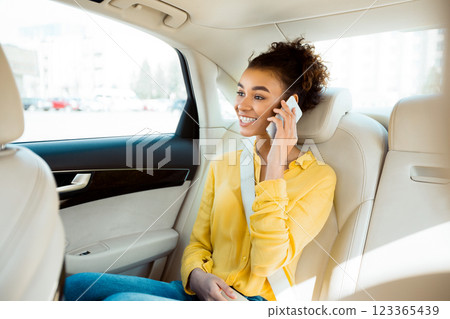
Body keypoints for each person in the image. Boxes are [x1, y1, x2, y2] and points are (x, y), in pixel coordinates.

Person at [64, 37, 336, 301]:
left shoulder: (319, 179)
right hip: (201, 289)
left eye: (259, 96)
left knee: (122, 303)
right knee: (77, 286)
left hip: (248, 301)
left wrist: (276, 162)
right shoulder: (225, 164)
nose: (241, 104)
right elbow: (198, 243)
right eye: (241, 92)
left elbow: (267, 262)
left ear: (290, 107)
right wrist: (196, 277)